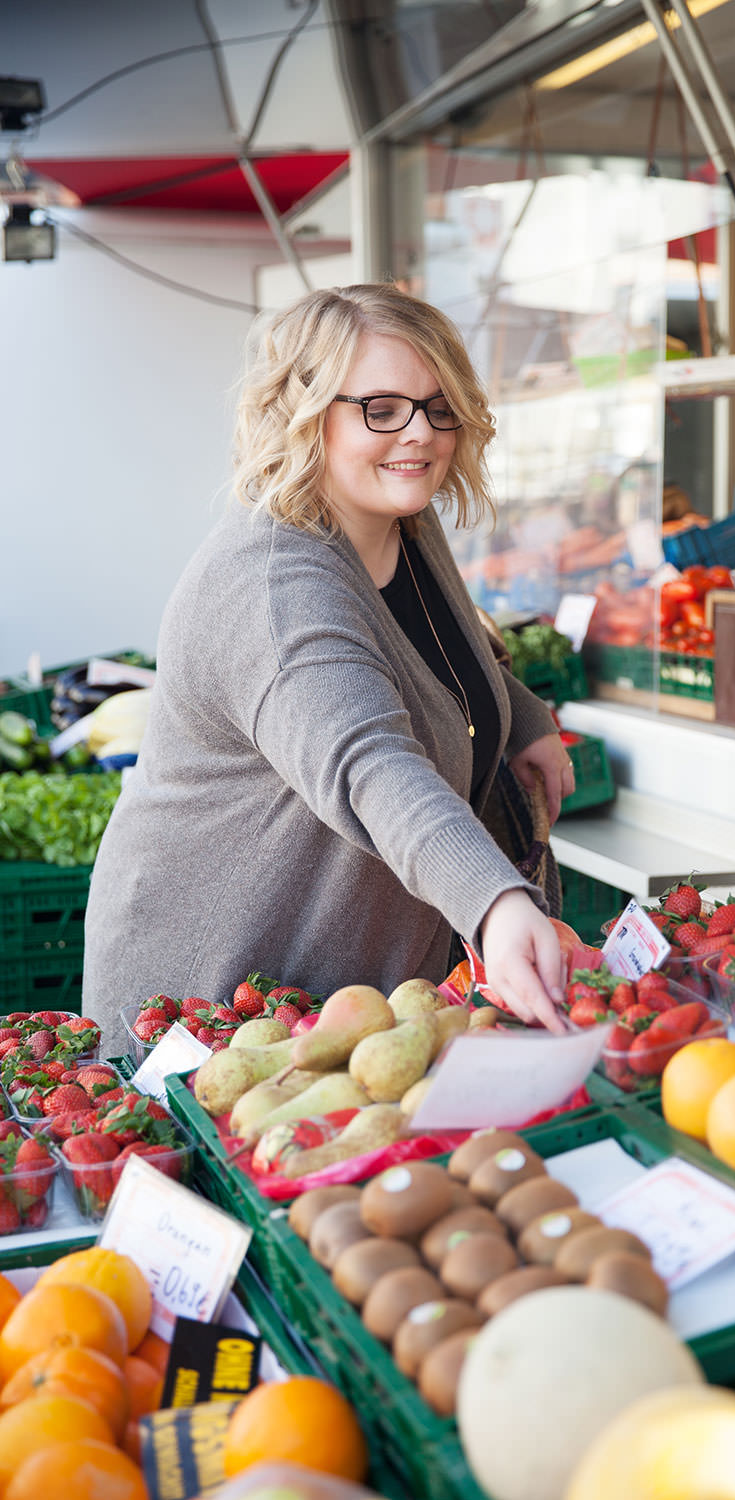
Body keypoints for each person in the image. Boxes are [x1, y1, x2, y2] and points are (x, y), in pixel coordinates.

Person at [82, 283, 576, 1058]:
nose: (419, 434)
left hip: (345, 997)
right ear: (304, 413)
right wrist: (496, 905)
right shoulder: (274, 586)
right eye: (380, 408)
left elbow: (427, 650)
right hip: (218, 1011)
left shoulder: (399, 516)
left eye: (438, 405)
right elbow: (370, 762)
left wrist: (521, 718)